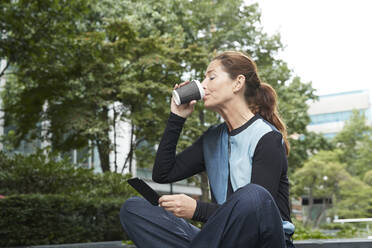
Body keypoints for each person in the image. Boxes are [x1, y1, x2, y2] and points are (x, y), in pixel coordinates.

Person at [120, 51, 295, 248]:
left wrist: (196, 209)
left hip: (263, 242)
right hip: (219, 241)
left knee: (253, 194)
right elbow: (163, 173)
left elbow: (256, 216)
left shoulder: (267, 137)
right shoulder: (212, 139)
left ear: (238, 83)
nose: (203, 84)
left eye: (211, 77)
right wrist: (176, 117)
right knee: (134, 209)